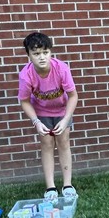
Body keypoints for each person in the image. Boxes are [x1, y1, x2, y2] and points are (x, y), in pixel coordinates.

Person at [18, 32, 79, 203]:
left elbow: (73, 96)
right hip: (41, 112)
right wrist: (36, 121)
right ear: (29, 55)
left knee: (63, 142)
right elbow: (24, 101)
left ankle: (67, 185)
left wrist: (66, 119)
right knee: (46, 143)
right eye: (36, 54)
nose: (42, 57)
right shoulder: (26, 75)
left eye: (45, 52)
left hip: (62, 110)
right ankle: (50, 187)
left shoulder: (61, 68)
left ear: (50, 52)